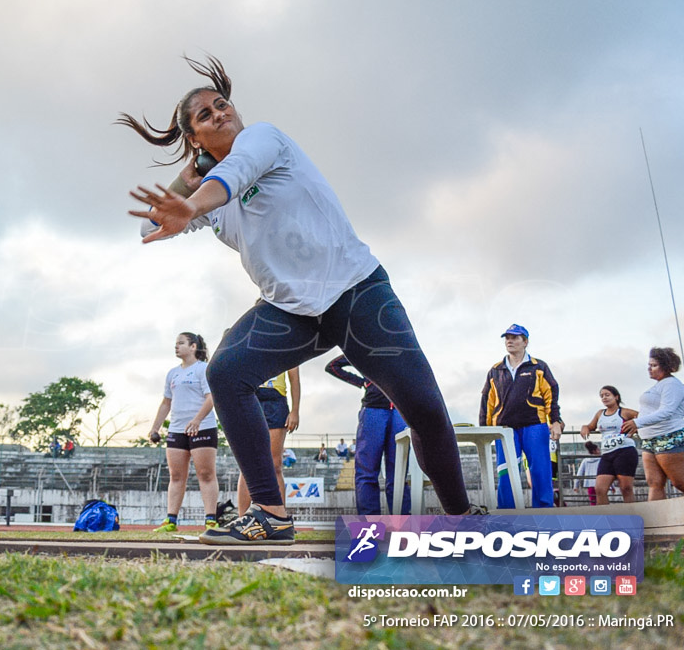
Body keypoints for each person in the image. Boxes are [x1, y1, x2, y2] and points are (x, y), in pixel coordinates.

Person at [122, 55, 475, 544]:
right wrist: (189, 177)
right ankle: (270, 512)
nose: (220, 113)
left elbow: (234, 176)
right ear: (195, 139)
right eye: (205, 115)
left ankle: (461, 517)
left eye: (221, 104)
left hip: (355, 291)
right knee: (225, 372)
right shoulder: (204, 189)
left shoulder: (262, 138)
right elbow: (148, 226)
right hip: (292, 311)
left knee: (425, 409)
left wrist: (195, 199)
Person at [479, 324, 564, 509]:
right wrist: (483, 429)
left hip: (535, 425)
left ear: (525, 342)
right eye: (507, 337)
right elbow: (487, 401)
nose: (510, 341)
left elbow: (551, 393)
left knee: (541, 472)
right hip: (504, 429)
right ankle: (507, 515)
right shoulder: (495, 370)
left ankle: (544, 513)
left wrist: (555, 421)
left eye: (515, 337)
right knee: (506, 474)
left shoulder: (538, 366)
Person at [147, 332, 219, 532]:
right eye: (175, 343)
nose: (176, 346)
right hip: (177, 429)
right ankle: (171, 521)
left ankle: (211, 520)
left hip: (202, 427)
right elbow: (166, 402)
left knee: (205, 474)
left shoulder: (203, 369)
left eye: (181, 343)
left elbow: (211, 398)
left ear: (193, 346)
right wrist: (155, 427)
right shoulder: (172, 373)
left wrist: (197, 420)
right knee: (176, 475)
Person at [327, 355, 410, 515]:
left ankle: (403, 525)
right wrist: (363, 382)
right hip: (374, 409)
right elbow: (333, 366)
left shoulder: (404, 346)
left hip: (400, 410)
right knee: (367, 471)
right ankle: (369, 526)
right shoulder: (367, 346)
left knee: (399, 473)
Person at [621, 347, 684, 500]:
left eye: (654, 365)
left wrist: (637, 422)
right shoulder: (658, 386)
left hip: (669, 436)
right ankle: (657, 522)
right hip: (650, 439)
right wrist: (636, 425)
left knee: (681, 483)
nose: (649, 369)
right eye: (649, 365)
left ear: (666, 367)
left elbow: (667, 411)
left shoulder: (672, 384)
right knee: (654, 482)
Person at [236, 368, 300, 514]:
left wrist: (295, 410)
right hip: (250, 396)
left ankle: (280, 520)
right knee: (247, 464)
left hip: (275, 399)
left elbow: (294, 378)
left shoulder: (288, 346)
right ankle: (242, 518)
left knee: (275, 465)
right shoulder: (246, 344)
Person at [581, 386, 639, 504]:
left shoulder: (624, 412)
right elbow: (591, 426)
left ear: (616, 397)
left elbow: (644, 418)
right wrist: (585, 427)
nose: (604, 398)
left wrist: (635, 426)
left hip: (624, 450)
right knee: (600, 489)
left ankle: (632, 517)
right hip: (607, 453)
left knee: (625, 488)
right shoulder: (600, 414)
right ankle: (605, 518)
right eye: (602, 396)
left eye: (607, 395)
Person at [573, 441, 602, 505]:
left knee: (593, 502)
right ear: (594, 451)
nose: (600, 451)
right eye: (598, 450)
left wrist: (576, 485)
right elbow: (605, 473)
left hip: (589, 484)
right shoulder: (601, 460)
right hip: (600, 483)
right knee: (601, 501)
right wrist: (612, 486)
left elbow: (579, 473)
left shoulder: (585, 461)